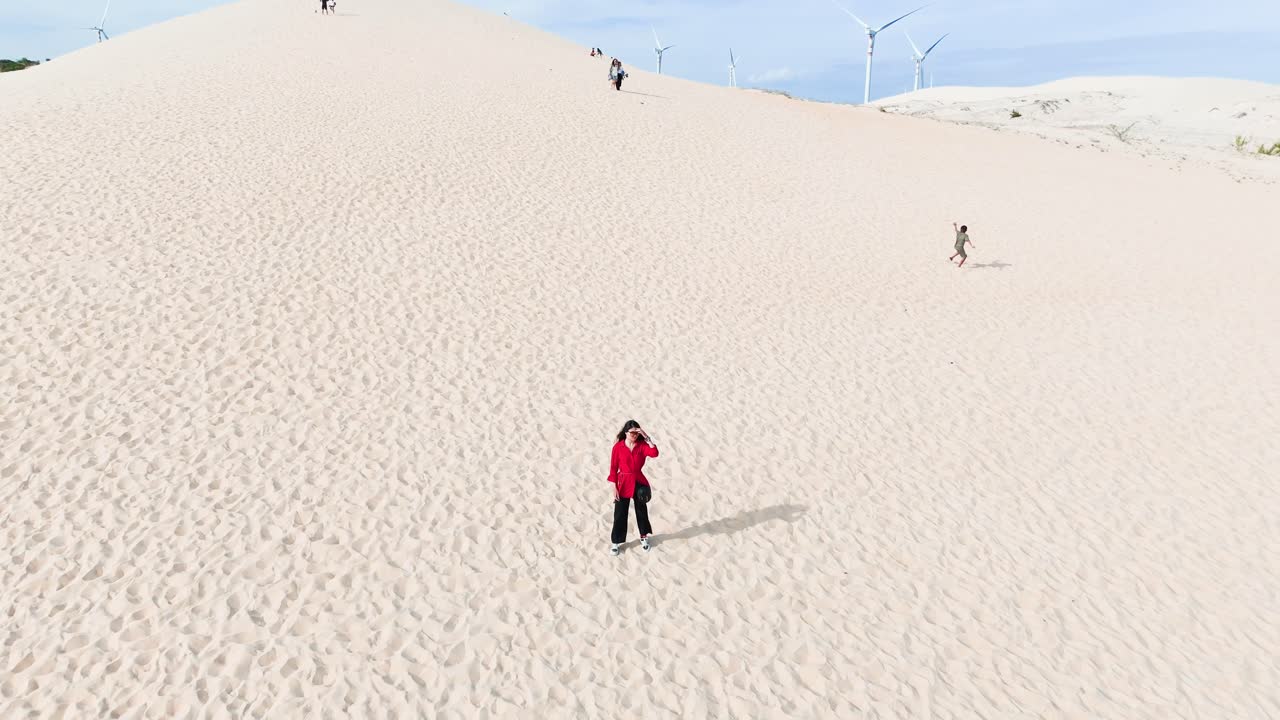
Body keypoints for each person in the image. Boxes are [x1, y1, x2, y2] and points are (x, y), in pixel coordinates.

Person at [606, 420, 659, 555]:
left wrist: (646, 437)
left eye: (637, 433)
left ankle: (643, 537)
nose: (634, 435)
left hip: (639, 481)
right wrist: (614, 486)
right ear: (626, 432)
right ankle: (616, 542)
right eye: (632, 433)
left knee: (641, 510)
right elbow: (613, 468)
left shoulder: (641, 446)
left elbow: (654, 453)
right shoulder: (617, 447)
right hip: (623, 482)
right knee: (620, 512)